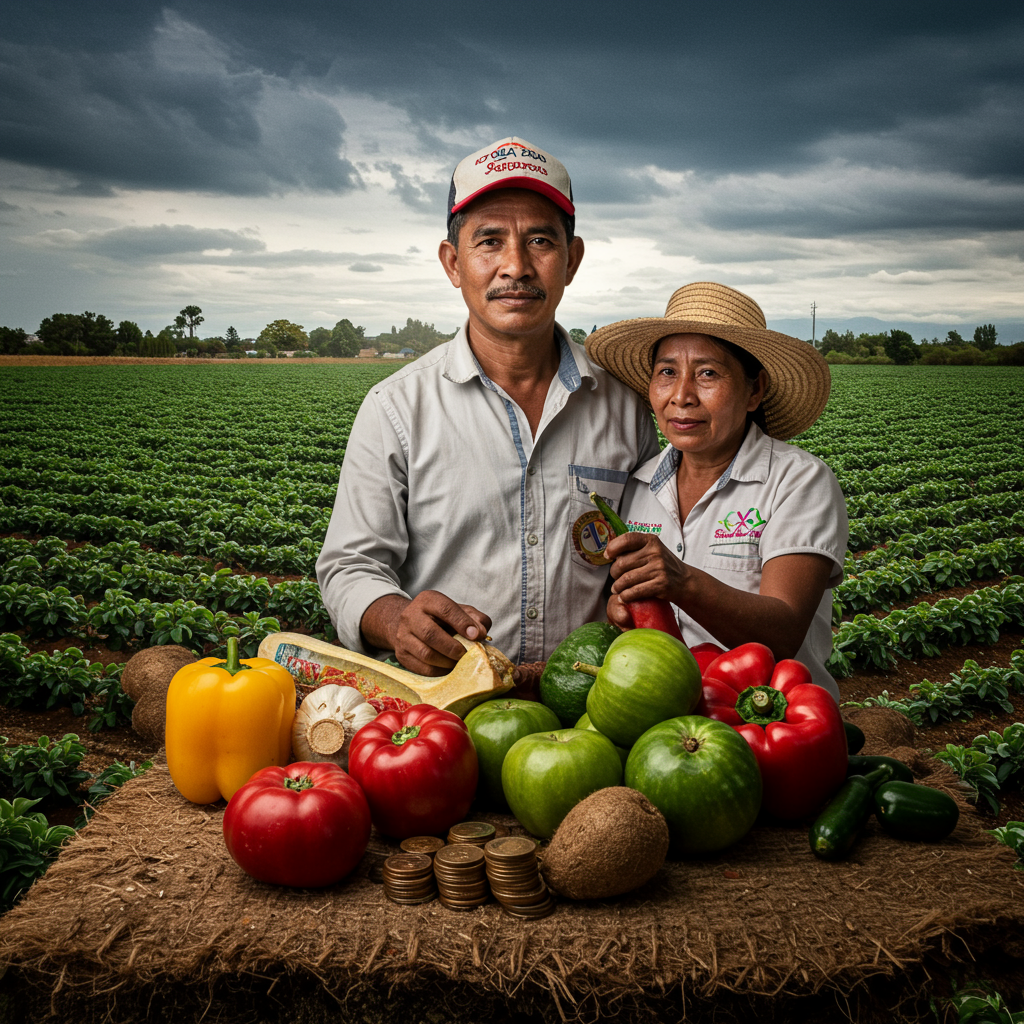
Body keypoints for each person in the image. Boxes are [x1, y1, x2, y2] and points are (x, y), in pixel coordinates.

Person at [316, 137, 660, 674]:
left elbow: (651, 549)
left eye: (541, 241)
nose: (516, 266)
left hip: (593, 705)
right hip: (444, 712)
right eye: (490, 241)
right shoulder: (396, 408)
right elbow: (349, 566)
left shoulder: (626, 407)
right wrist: (397, 620)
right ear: (454, 263)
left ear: (572, 260)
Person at [585, 281, 848, 698]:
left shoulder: (798, 481)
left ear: (754, 390)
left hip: (765, 719)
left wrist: (683, 582)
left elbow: (784, 631)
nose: (682, 396)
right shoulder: (638, 485)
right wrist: (624, 612)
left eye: (708, 373)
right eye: (667, 372)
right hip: (670, 720)